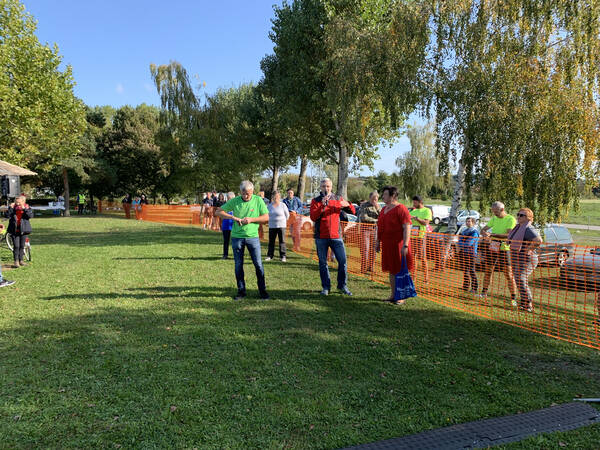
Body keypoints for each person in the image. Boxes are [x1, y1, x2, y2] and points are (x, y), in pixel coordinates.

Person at [215, 181, 270, 300]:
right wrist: (232, 217)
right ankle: (241, 291)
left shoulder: (258, 200)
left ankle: (263, 291)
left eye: (249, 194)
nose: (246, 196)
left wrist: (252, 219)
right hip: (237, 237)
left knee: (258, 264)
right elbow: (218, 212)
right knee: (238, 265)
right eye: (244, 194)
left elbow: (266, 217)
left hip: (253, 237)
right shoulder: (235, 201)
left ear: (253, 192)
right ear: (240, 192)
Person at [310, 178, 355, 296]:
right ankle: (326, 287)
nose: (326, 188)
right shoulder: (316, 200)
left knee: (343, 261)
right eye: (324, 186)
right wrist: (322, 206)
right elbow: (313, 217)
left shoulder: (338, 198)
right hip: (321, 237)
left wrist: (348, 205)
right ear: (321, 187)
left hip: (336, 236)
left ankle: (342, 285)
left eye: (328, 186)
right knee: (323, 263)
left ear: (331, 187)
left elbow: (353, 211)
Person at [375, 186, 413, 304]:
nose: (383, 196)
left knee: (399, 269)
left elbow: (407, 227)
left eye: (385, 194)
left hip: (399, 245)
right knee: (391, 270)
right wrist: (377, 242)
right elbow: (380, 227)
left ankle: (401, 296)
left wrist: (405, 245)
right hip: (387, 244)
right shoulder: (384, 209)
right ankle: (393, 295)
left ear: (393, 196)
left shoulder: (401, 209)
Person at [479, 201, 518, 304]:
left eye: (496, 211)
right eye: (493, 211)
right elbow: (483, 229)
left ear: (502, 210)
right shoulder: (494, 218)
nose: (494, 213)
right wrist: (484, 233)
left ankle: (513, 298)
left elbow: (509, 235)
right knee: (488, 271)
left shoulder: (510, 219)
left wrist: (492, 235)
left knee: (508, 274)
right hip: (493, 247)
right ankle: (484, 293)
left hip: (504, 248)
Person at [507, 208, 542, 312]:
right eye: (518, 214)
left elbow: (538, 240)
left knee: (521, 279)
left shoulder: (528, 228)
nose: (518, 217)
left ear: (528, 218)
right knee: (518, 279)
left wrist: (529, 249)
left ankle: (528, 304)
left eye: (521, 215)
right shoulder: (518, 227)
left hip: (527, 258)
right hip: (517, 256)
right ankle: (524, 303)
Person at [409, 195, 431, 283]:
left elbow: (426, 223)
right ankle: (413, 277)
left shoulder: (427, 210)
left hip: (421, 237)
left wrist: (417, 219)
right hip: (412, 237)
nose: (413, 204)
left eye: (415, 202)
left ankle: (426, 278)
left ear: (420, 202)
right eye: (413, 202)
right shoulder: (413, 211)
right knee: (412, 257)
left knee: (422, 257)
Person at [7, 195, 33, 268]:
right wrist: (11, 208)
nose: (17, 204)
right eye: (16, 202)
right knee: (16, 246)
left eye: (19, 202)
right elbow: (7, 215)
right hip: (14, 230)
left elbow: (30, 216)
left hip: (23, 229)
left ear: (23, 202)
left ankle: (21, 260)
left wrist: (24, 208)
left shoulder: (27, 207)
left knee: (22, 246)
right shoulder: (13, 208)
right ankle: (16, 261)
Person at [358, 191, 381, 273]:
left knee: (373, 250)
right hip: (366, 230)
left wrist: (378, 208)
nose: (375, 200)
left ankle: (371, 267)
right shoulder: (364, 205)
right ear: (370, 198)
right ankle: (363, 268)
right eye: (373, 199)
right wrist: (377, 220)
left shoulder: (378, 206)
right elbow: (364, 217)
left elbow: (382, 216)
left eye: (376, 199)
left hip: (375, 230)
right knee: (365, 249)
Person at [458, 217, 480, 294]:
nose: (467, 223)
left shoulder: (475, 232)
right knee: (465, 270)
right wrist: (462, 242)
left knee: (472, 271)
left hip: (471, 254)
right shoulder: (464, 231)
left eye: (469, 221)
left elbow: (469, 243)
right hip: (463, 253)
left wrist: (462, 242)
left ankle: (474, 288)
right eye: (467, 221)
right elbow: (459, 241)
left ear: (473, 223)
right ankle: (465, 286)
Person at [266, 191, 290, 262]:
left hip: (281, 226)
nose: (276, 198)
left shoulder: (283, 205)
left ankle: (283, 256)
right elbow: (267, 215)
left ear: (279, 197)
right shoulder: (269, 206)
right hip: (272, 226)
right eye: (274, 196)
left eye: (277, 196)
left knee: (282, 241)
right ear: (273, 197)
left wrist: (283, 221)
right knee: (271, 242)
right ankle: (270, 256)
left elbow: (287, 215)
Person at [220, 192, 236, 259]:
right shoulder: (225, 206)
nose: (230, 199)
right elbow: (221, 216)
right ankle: (225, 255)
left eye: (232, 198)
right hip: (226, 226)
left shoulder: (236, 206)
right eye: (229, 198)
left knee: (236, 242)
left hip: (235, 226)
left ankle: (236, 255)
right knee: (226, 241)